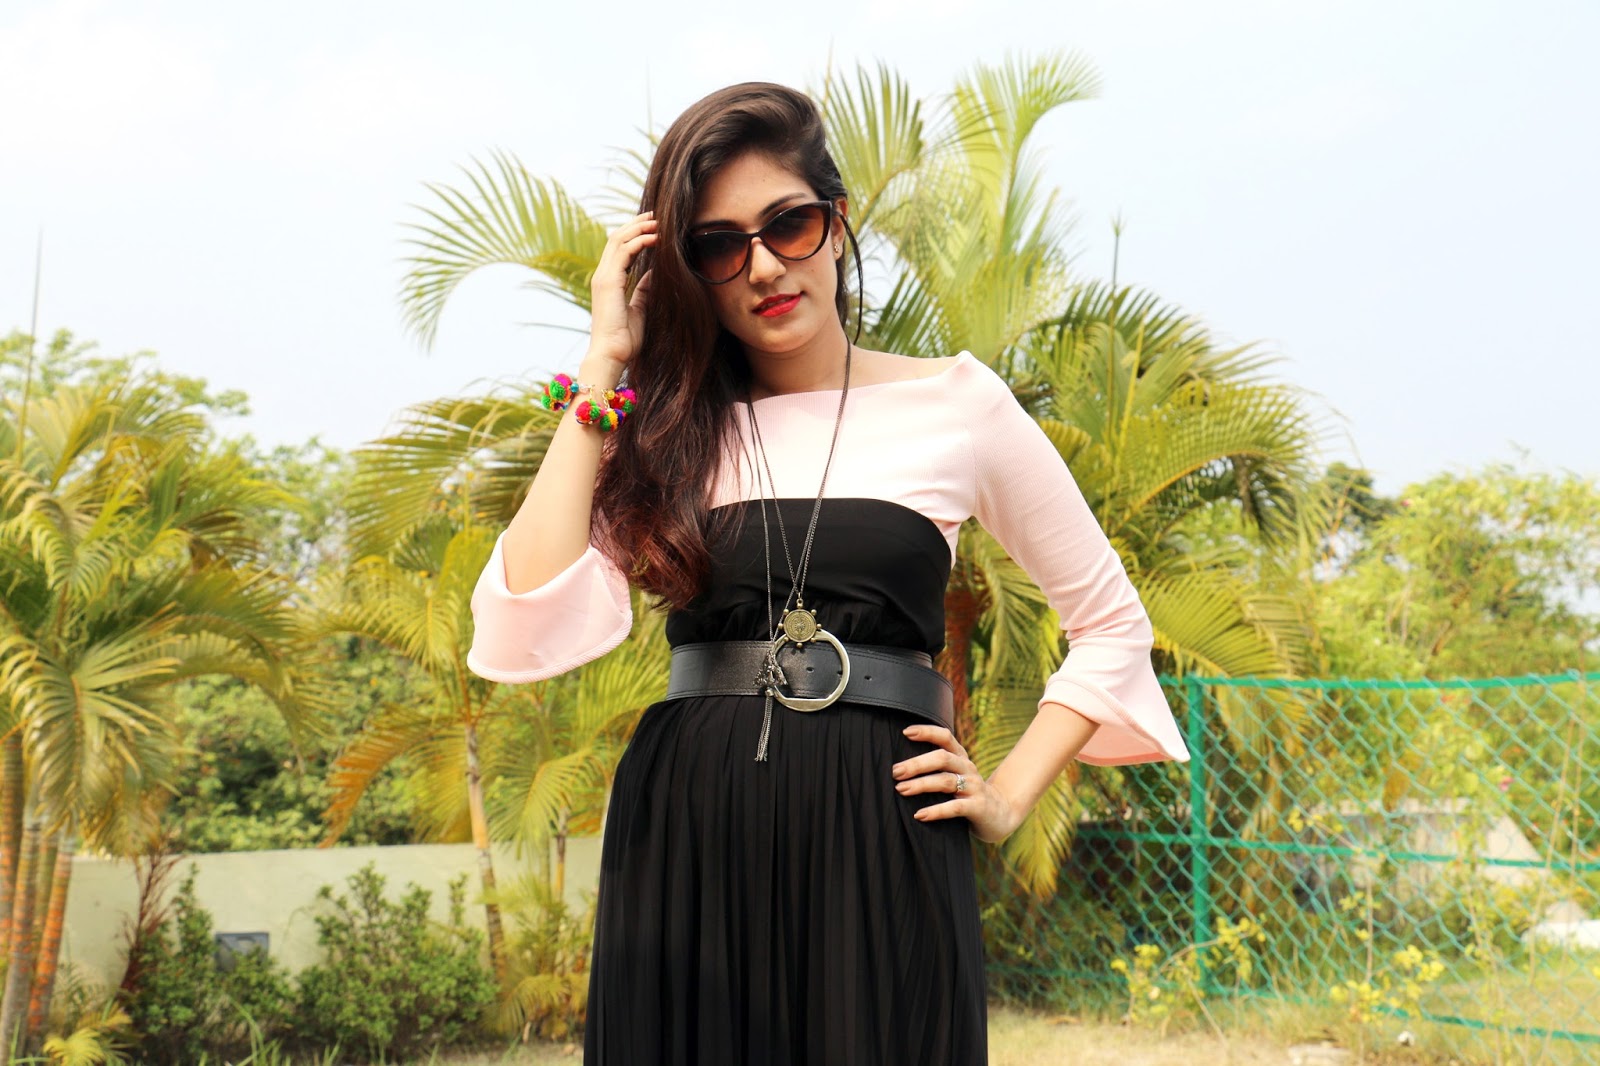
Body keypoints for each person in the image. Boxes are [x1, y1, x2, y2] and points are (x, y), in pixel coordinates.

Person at [466, 81, 1189, 1066]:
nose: (763, 266)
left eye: (788, 225)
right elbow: (523, 613)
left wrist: (1010, 795)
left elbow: (1111, 624)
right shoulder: (665, 433)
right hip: (689, 827)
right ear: (687, 273)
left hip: (884, 825)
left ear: (837, 223)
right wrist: (602, 366)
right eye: (719, 246)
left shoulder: (957, 404)